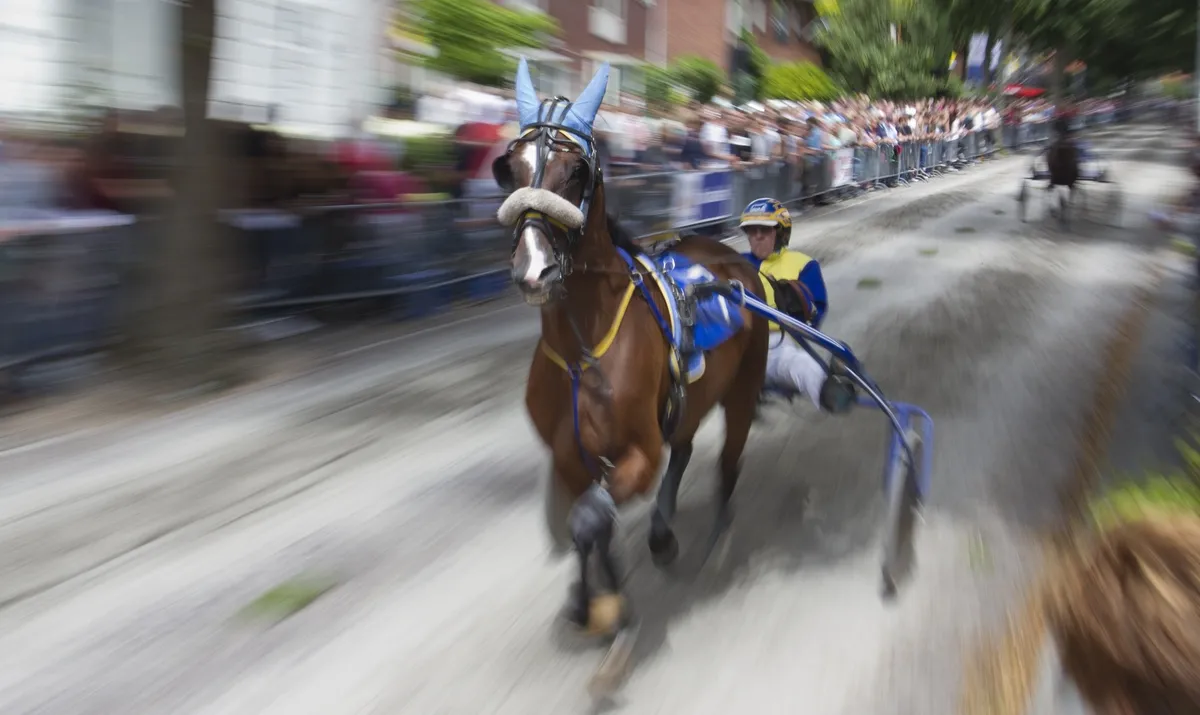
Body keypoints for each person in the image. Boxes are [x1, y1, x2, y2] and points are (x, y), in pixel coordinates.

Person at [738, 198, 856, 413]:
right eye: (751, 231)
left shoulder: (803, 265)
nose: (757, 236)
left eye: (764, 230)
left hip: (774, 345)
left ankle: (830, 390)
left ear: (781, 233)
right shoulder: (734, 261)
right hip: (727, 341)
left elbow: (814, 315)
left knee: (799, 365)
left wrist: (792, 303)